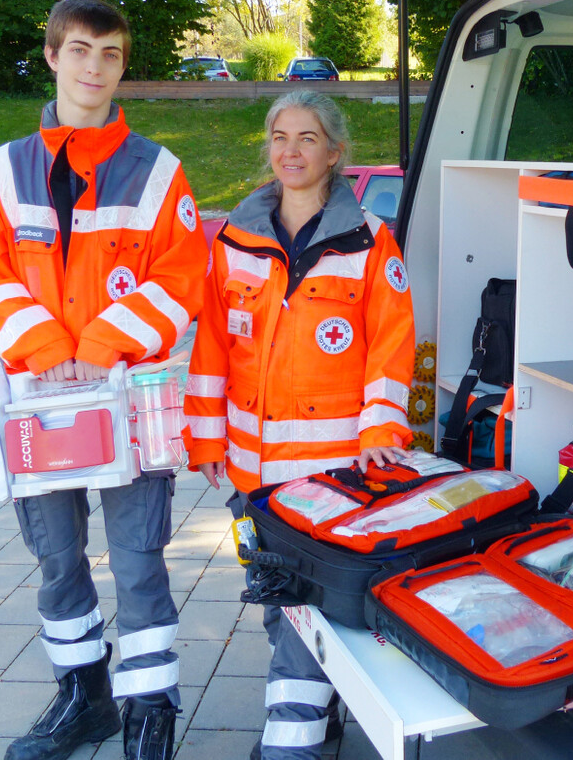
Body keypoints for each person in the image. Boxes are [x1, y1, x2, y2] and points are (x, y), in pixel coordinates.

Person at [0, 0, 208, 760]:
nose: (93, 67)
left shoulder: (160, 171)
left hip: (126, 393)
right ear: (53, 57)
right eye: (79, 51)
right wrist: (43, 345)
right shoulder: (2, 170)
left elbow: (183, 273)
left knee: (138, 555)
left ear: (123, 66)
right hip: (38, 394)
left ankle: (150, 709)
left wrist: (100, 343)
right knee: (57, 556)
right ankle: (83, 695)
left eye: (109, 54)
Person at [183, 89, 416, 759]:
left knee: (300, 603)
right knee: (275, 596)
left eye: (307, 138)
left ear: (335, 152)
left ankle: (294, 741)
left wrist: (380, 437)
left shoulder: (372, 243)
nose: (290, 150)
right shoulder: (234, 240)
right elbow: (211, 352)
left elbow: (390, 352)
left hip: (329, 477)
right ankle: (322, 710)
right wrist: (203, 437)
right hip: (249, 474)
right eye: (280, 136)